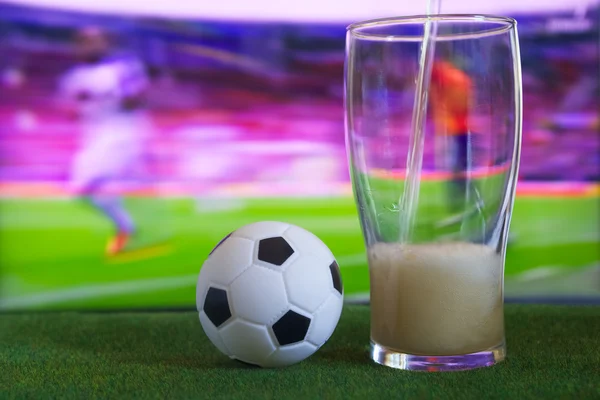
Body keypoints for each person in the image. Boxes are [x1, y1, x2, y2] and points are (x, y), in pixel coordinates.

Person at [59, 26, 150, 256]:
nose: (90, 46)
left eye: (95, 41)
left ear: (105, 43)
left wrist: (121, 94)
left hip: (119, 131)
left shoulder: (121, 68)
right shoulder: (73, 77)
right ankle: (128, 227)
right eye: (84, 42)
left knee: (90, 182)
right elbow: (72, 108)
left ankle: (134, 224)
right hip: (93, 135)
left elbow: (137, 100)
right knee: (81, 188)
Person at [430, 59, 473, 212]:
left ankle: (459, 200)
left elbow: (458, 104)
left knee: (456, 168)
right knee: (458, 168)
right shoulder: (458, 78)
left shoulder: (452, 78)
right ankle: (462, 199)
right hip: (457, 128)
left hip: (454, 129)